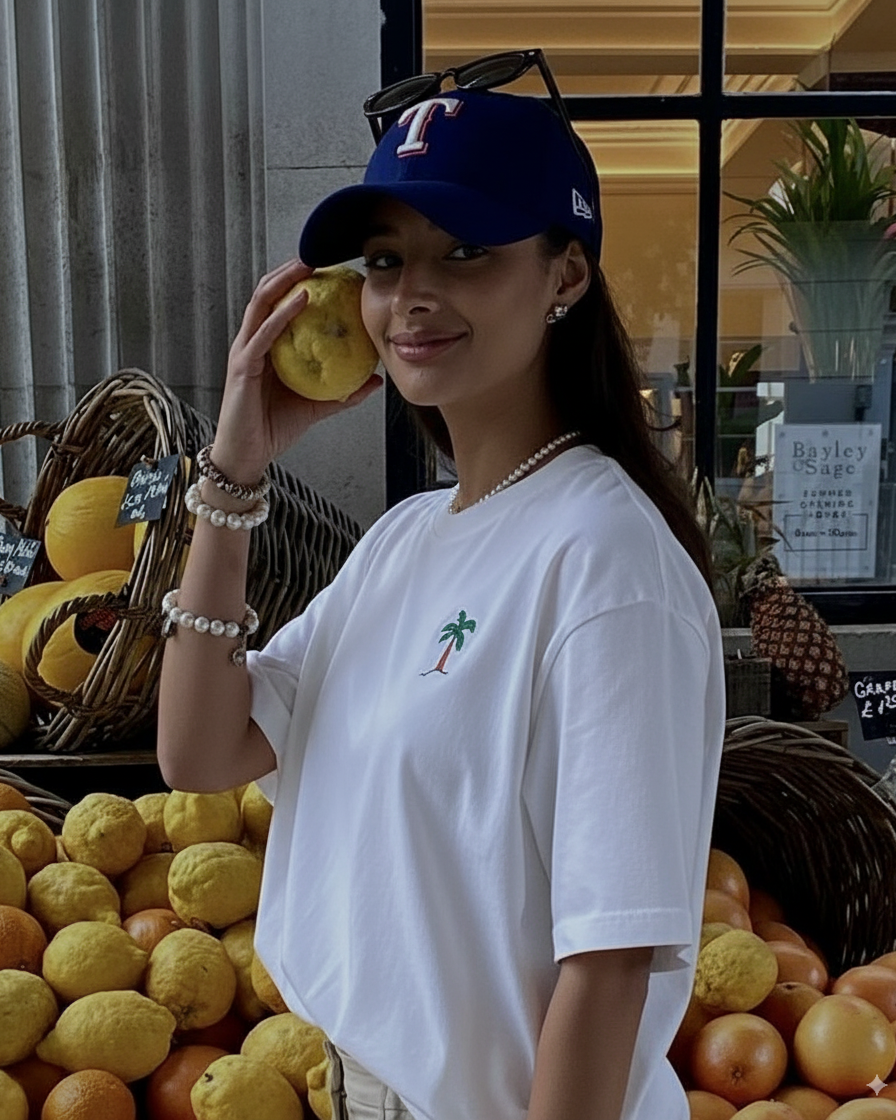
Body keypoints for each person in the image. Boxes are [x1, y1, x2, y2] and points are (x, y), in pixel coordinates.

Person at [157, 49, 726, 1120]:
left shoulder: (604, 560)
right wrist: (233, 472)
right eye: (382, 260)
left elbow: (605, 962)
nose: (410, 297)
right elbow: (201, 748)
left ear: (564, 273)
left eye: (464, 252)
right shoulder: (408, 539)